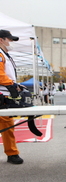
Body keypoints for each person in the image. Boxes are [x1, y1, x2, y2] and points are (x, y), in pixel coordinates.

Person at [0, 29, 24, 164]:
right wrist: (12, 84)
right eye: (9, 39)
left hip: (5, 93)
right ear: (1, 40)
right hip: (2, 94)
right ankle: (12, 153)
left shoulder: (5, 55)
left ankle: (12, 152)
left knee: (7, 123)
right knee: (7, 124)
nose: (11, 42)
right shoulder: (0, 55)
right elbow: (0, 75)